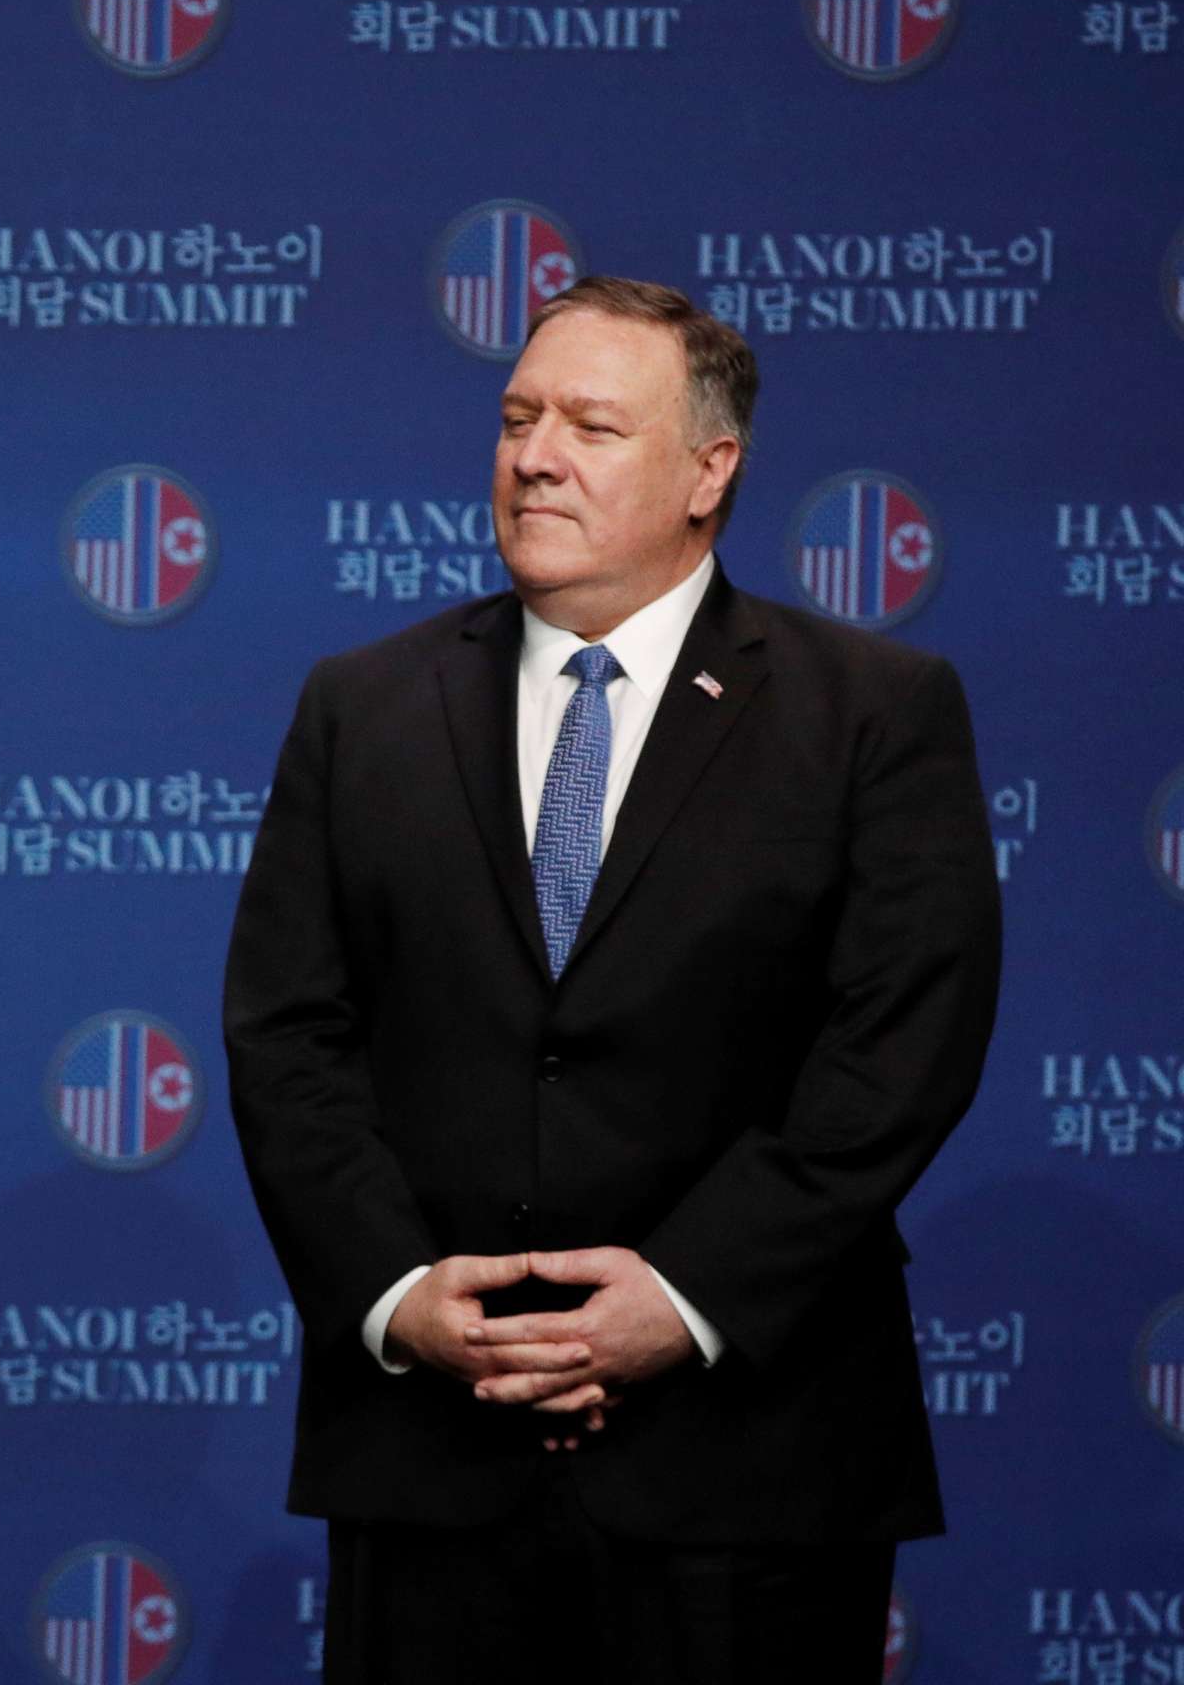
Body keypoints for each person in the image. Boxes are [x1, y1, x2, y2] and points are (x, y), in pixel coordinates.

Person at [223, 276, 1000, 1681]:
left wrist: (682, 1298)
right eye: (518, 417)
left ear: (712, 470)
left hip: (747, 1463)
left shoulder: (873, 714)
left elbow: (901, 1051)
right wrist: (399, 1296)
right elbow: (288, 1036)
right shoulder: (364, 706)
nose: (535, 455)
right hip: (431, 1462)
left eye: (591, 423)